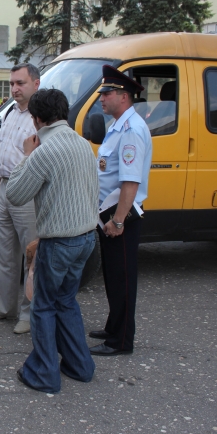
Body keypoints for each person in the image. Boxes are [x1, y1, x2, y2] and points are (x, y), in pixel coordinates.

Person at [5, 89, 99, 393]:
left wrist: (27, 155)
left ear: (36, 119)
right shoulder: (83, 144)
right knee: (66, 300)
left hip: (59, 241)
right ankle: (80, 366)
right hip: (86, 237)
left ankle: (45, 373)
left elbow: (15, 194)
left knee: (42, 306)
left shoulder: (45, 150)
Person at [88, 65, 153, 356]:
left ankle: (121, 340)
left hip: (120, 216)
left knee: (123, 278)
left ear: (124, 96)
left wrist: (117, 220)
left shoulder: (131, 130)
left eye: (107, 93)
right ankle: (114, 326)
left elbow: (130, 182)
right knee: (113, 276)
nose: (102, 99)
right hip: (109, 214)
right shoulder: (118, 126)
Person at [0, 63, 41, 334]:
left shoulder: (41, 115)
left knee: (30, 255)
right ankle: (3, 307)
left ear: (36, 84)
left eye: (20, 83)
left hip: (27, 191)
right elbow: (1, 150)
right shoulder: (12, 112)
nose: (14, 88)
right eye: (12, 83)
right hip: (4, 191)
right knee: (3, 253)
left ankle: (27, 314)